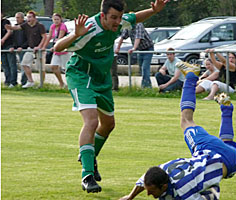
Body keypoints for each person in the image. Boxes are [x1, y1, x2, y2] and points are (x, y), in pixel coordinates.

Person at [53, 0, 168, 193]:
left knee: (108, 124)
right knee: (90, 121)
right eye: (113, 18)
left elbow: (135, 17)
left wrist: (154, 10)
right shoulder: (89, 28)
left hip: (102, 77)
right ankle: (87, 175)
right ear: (103, 15)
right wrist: (75, 34)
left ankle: (89, 156)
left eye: (119, 18)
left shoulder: (120, 21)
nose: (117, 22)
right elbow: (57, 46)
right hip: (82, 75)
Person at [119, 65, 236, 200]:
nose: (149, 195)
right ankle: (224, 107)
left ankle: (192, 78)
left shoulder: (184, 192)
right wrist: (130, 197)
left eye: (151, 191)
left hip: (227, 161)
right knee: (187, 122)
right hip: (211, 154)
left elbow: (210, 193)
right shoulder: (162, 171)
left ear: (164, 186)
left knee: (187, 121)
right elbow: (143, 180)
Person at [5, 10, 47, 89]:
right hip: (30, 48)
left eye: (30, 17)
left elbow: (45, 37)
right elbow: (17, 27)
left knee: (40, 68)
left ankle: (42, 84)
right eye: (27, 17)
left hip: (40, 50)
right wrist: (9, 27)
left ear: (34, 18)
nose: (28, 19)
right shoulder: (26, 25)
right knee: (24, 64)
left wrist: (39, 47)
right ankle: (30, 81)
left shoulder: (40, 26)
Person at [116, 22, 154, 88]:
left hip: (148, 48)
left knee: (145, 68)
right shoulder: (128, 26)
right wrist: (118, 48)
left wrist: (134, 48)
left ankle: (146, 87)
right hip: (140, 49)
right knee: (141, 68)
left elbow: (138, 37)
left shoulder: (139, 25)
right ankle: (146, 85)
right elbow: (122, 37)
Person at [44, 13, 69, 88]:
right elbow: (49, 37)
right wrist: (44, 46)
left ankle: (70, 84)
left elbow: (60, 38)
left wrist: (54, 46)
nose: (56, 21)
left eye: (57, 19)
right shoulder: (53, 26)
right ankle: (61, 83)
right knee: (54, 66)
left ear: (60, 19)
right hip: (57, 50)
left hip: (64, 49)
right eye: (54, 19)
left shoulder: (63, 26)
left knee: (66, 69)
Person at [9, 12, 28, 86]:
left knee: (24, 66)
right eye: (16, 17)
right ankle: (13, 82)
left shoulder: (26, 27)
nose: (17, 19)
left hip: (24, 49)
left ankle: (24, 83)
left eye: (18, 17)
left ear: (22, 18)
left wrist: (22, 47)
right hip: (16, 49)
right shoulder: (15, 27)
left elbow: (28, 39)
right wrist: (13, 46)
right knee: (13, 65)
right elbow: (13, 38)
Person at [1, 12, 18, 87]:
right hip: (2, 48)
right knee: (4, 65)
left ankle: (13, 82)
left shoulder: (5, 22)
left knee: (12, 64)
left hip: (9, 45)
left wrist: (2, 40)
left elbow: (9, 31)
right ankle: (7, 81)